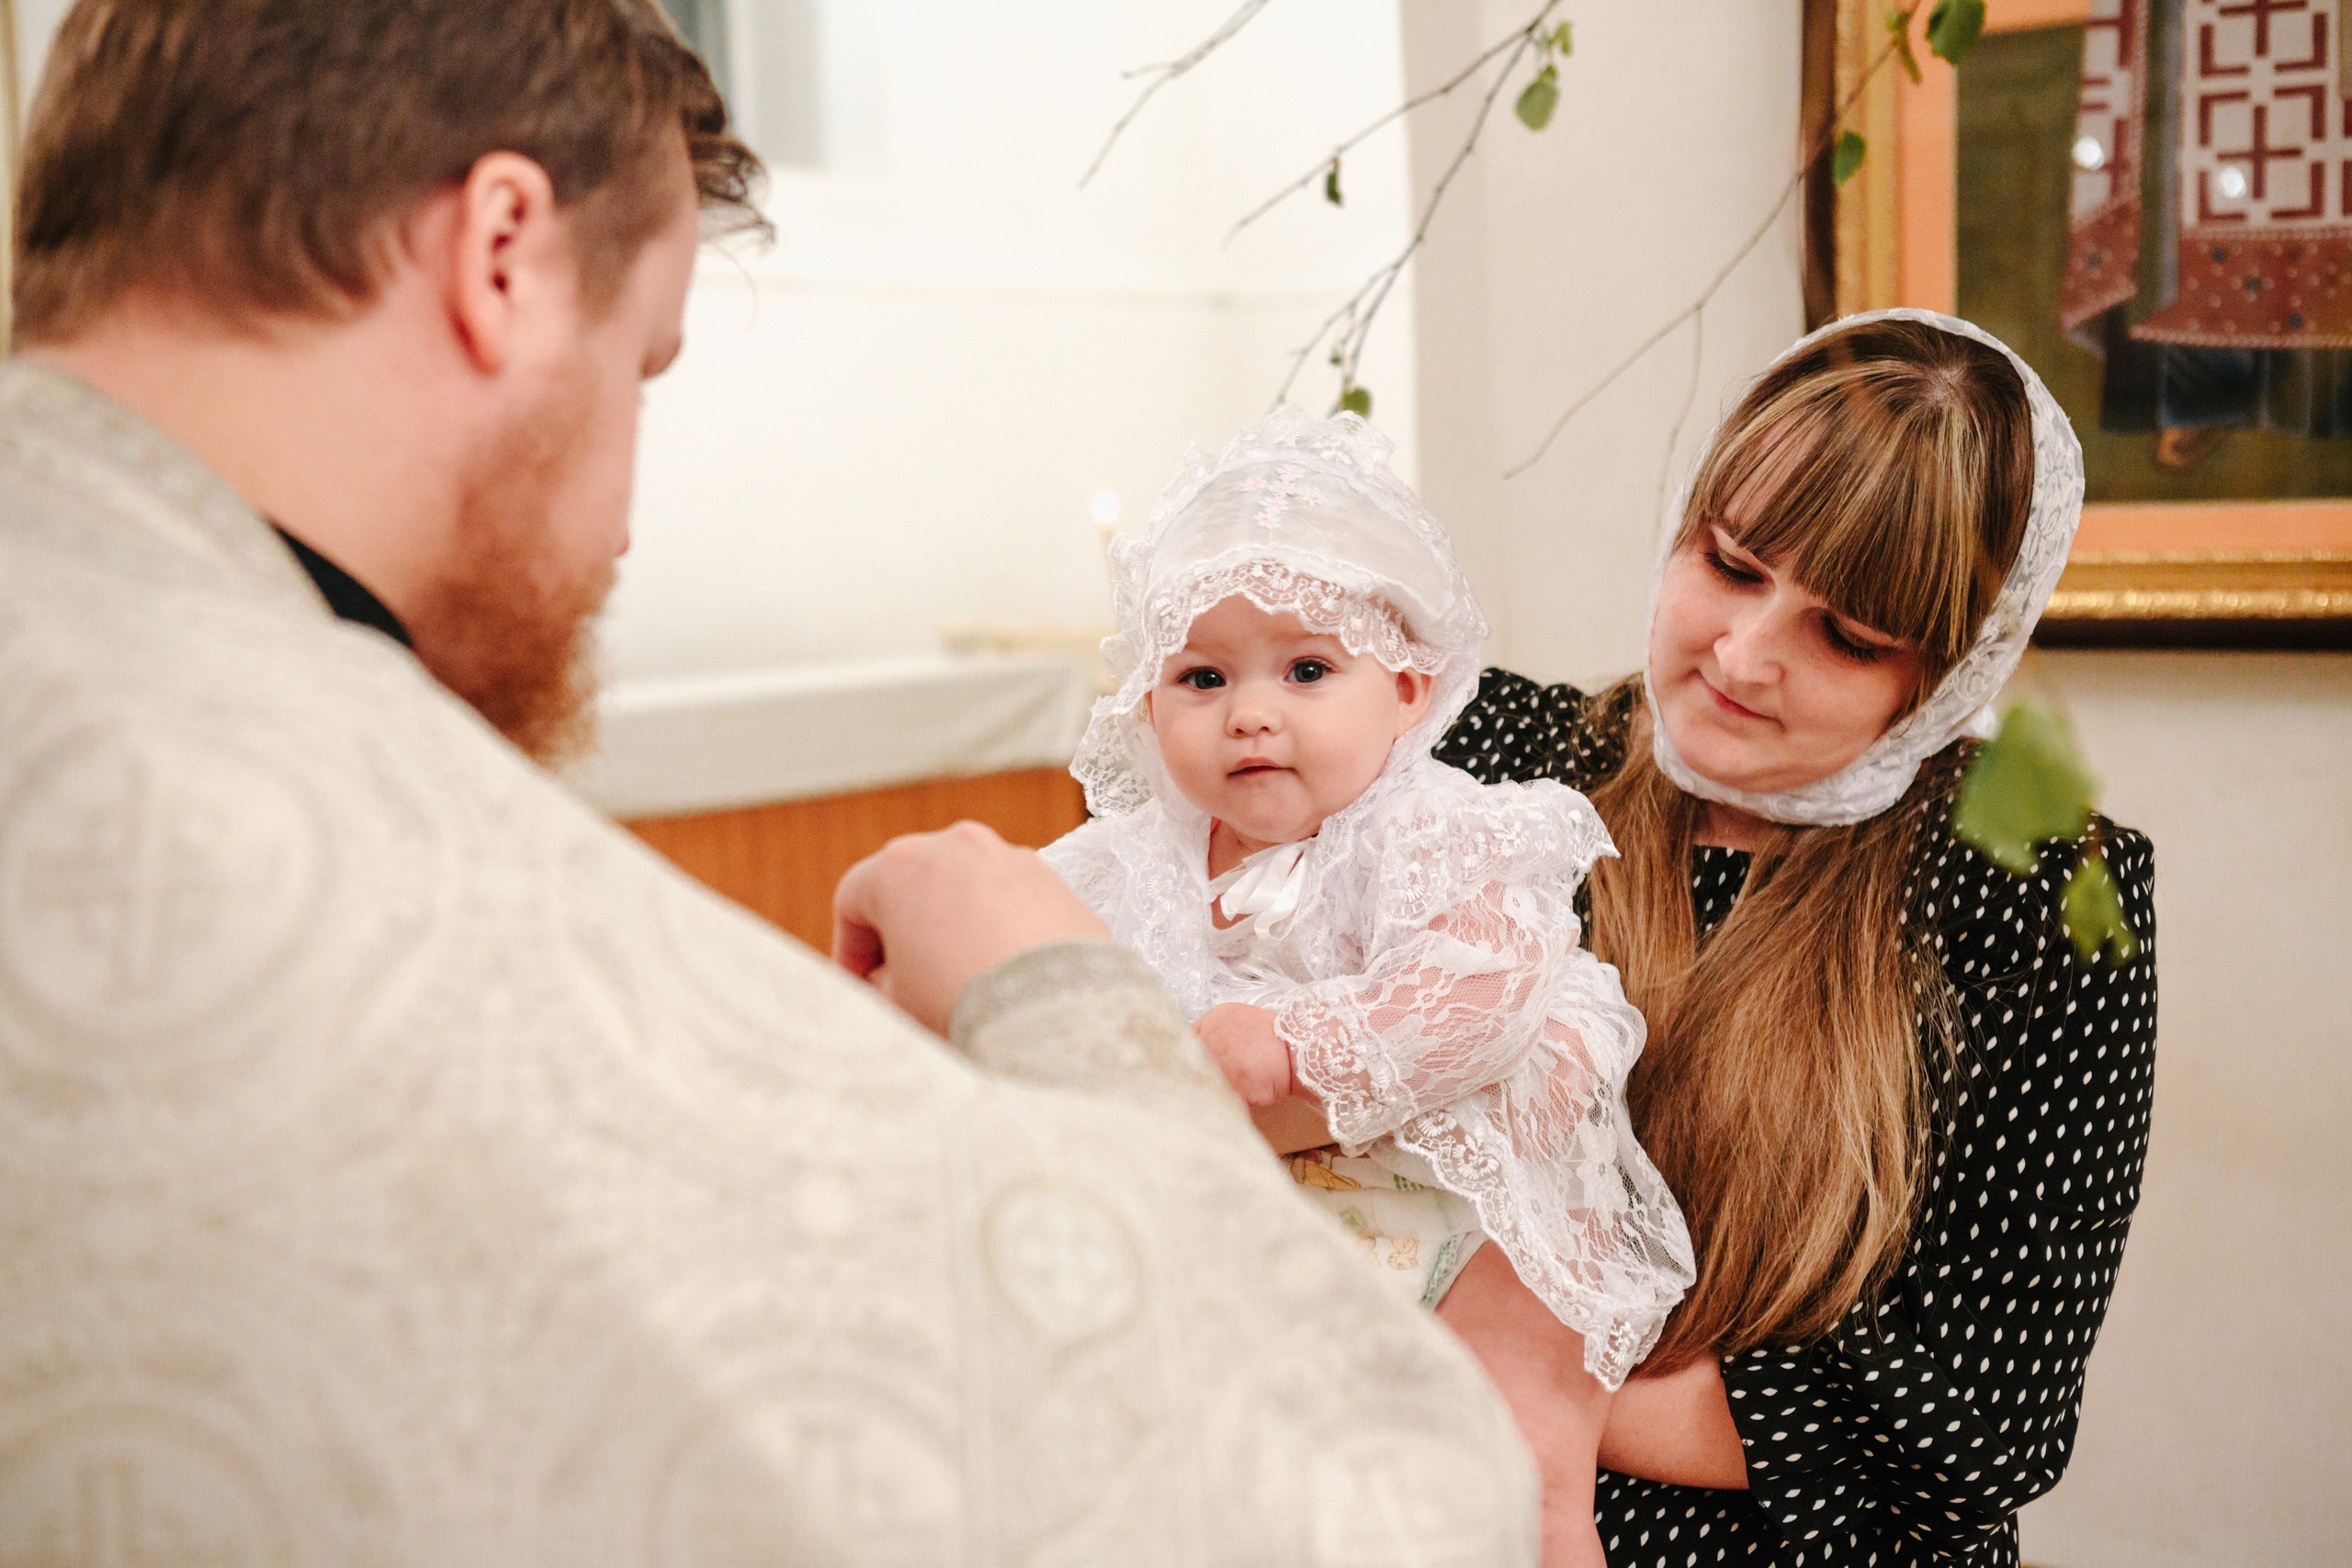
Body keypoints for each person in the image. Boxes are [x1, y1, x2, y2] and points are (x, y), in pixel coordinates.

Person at [0, 1, 1537, 1558]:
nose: (616, 528)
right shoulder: (411, 905)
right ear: (502, 256)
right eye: (643, 364)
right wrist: (1066, 1005)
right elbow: (1366, 1496)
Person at [1419, 310, 2161, 1566]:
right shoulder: (1484, 761)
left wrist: (1499, 1381)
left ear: (1948, 673)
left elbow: (1982, 1420)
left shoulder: (2043, 894)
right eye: (1733, 562)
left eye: (1848, 635)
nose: (1746, 655)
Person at [1039, 410, 1695, 1566]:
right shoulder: (1132, 855)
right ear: (1148, 707)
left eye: (1306, 669)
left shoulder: (1434, 826)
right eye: (1202, 676)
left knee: (1523, 1461)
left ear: (1408, 690)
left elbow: (1486, 991)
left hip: (1489, 1202)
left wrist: (1296, 1045)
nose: (1251, 710)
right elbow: (1038, 951)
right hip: (1292, 1219)